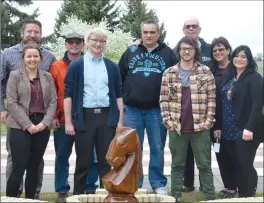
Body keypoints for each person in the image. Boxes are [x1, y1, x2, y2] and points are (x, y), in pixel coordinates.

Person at [118, 19, 177, 195]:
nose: (149, 35)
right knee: (132, 149)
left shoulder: (168, 53)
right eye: (145, 32)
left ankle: (158, 183)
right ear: (141, 33)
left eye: (152, 32)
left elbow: (175, 80)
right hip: (132, 109)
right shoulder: (131, 51)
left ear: (158, 34)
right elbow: (120, 76)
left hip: (157, 110)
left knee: (157, 147)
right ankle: (135, 183)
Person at [63, 27, 124, 195]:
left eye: (102, 41)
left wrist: (119, 122)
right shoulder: (77, 65)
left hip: (106, 118)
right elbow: (67, 95)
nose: (98, 44)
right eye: (95, 40)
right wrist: (68, 122)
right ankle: (78, 196)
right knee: (83, 161)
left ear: (105, 44)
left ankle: (107, 196)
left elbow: (119, 95)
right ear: (87, 42)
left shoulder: (111, 66)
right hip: (85, 118)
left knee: (106, 161)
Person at [0, 19, 56, 199]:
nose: (33, 35)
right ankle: (11, 198)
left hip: (41, 125)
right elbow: (11, 100)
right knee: (17, 164)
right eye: (29, 31)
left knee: (35, 164)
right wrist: (27, 124)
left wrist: (44, 123)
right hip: (19, 123)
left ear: (41, 58)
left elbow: (53, 101)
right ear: (23, 59)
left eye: (36, 32)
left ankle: (33, 197)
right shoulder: (12, 67)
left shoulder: (48, 71)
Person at [160, 36, 216, 202]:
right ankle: (175, 197)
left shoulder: (205, 71)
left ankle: (210, 197)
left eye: (190, 49)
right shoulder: (169, 73)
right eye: (183, 48)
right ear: (179, 51)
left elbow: (212, 99)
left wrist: (208, 122)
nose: (186, 52)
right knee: (177, 166)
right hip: (177, 128)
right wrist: (167, 121)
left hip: (200, 129)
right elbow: (163, 100)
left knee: (204, 166)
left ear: (195, 51)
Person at [49, 32, 99, 202]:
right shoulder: (56, 66)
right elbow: (53, 93)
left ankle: (90, 187)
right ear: (66, 44)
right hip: (63, 120)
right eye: (71, 42)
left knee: (90, 157)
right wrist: (54, 116)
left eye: (78, 42)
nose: (74, 45)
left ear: (83, 44)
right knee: (62, 156)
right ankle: (62, 190)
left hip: (87, 119)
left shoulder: (91, 63)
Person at [214, 45, 263, 197]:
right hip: (227, 128)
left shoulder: (254, 78)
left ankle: (247, 195)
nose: (239, 59)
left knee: (245, 163)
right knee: (233, 162)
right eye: (237, 56)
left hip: (245, 130)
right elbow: (219, 103)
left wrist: (249, 128)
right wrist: (217, 126)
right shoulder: (228, 76)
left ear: (249, 59)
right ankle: (235, 191)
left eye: (244, 57)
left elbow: (257, 105)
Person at [177, 17, 212, 192]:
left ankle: (208, 188)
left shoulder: (209, 48)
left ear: (199, 29)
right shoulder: (177, 48)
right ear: (183, 29)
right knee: (186, 152)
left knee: (203, 153)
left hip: (205, 109)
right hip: (184, 112)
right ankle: (188, 183)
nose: (191, 28)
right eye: (187, 26)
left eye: (194, 26)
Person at [210, 37, 237, 198]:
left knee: (235, 156)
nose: (218, 53)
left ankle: (237, 185)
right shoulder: (210, 70)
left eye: (221, 49)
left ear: (228, 50)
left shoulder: (236, 69)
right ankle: (228, 186)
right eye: (215, 51)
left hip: (233, 122)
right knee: (221, 155)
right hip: (215, 124)